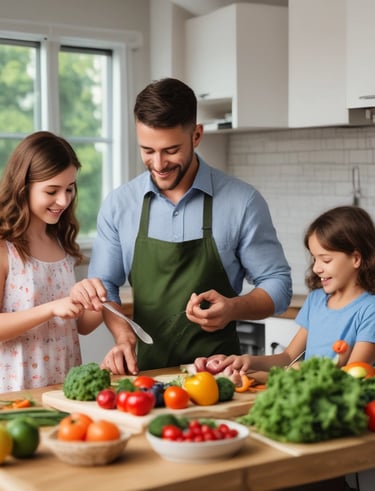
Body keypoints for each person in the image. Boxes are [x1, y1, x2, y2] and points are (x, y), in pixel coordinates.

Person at [72, 77, 292, 375]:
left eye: (171, 150)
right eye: (148, 150)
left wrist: (233, 308)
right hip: (146, 377)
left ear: (196, 135)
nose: (159, 163)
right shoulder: (120, 204)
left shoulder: (242, 201)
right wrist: (124, 338)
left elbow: (278, 285)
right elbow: (105, 285)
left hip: (220, 377)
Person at [195, 206, 375, 377]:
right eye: (314, 259)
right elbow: (288, 357)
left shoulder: (370, 310)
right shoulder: (316, 300)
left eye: (325, 260)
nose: (316, 268)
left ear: (356, 258)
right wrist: (246, 361)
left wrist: (261, 376)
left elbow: (352, 375)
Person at [0, 131, 104, 391]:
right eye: (52, 190)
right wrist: (51, 308)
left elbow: (80, 326)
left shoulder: (61, 244)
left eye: (69, 188)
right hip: (16, 391)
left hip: (62, 388)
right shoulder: (5, 248)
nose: (64, 200)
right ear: (23, 186)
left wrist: (101, 298)